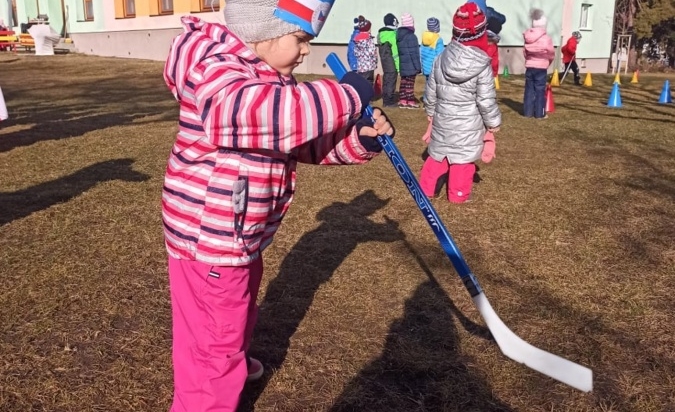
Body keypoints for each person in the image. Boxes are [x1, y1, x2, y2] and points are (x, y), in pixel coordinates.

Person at [162, 0, 396, 410]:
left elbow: (297, 139)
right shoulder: (217, 68)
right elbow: (252, 115)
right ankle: (208, 392)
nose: (306, 50)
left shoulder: (266, 77)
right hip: (210, 236)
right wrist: (344, 97)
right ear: (262, 32)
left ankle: (228, 356)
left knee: (232, 313)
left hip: (237, 233)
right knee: (214, 332)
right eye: (301, 39)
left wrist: (359, 139)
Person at [420, 2, 501, 203]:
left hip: (443, 121)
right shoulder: (482, 65)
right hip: (468, 125)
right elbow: (485, 99)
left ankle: (426, 189)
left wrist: (430, 110)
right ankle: (458, 195)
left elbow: (431, 89)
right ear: (481, 34)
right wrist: (493, 122)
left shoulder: (440, 58)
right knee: (463, 161)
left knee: (438, 156)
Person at [523, 9, 555, 119]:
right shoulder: (547, 39)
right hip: (541, 67)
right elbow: (551, 53)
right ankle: (539, 113)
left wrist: (528, 60)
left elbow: (525, 51)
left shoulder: (527, 37)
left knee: (529, 89)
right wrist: (548, 61)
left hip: (530, 66)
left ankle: (527, 112)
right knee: (540, 90)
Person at [396, 13, 421, 109]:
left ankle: (402, 100)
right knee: (410, 83)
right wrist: (418, 67)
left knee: (404, 82)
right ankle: (410, 101)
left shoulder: (399, 36)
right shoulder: (411, 37)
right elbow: (414, 53)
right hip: (411, 65)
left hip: (403, 64)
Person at [377, 13, 400, 107]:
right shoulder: (392, 35)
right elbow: (395, 52)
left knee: (386, 79)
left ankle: (385, 98)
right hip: (391, 63)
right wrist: (398, 66)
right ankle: (389, 101)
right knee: (391, 80)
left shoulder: (381, 35)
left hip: (385, 62)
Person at [420, 17, 444, 103]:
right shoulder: (438, 40)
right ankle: (431, 99)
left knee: (428, 83)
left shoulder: (424, 38)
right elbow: (440, 54)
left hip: (426, 66)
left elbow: (421, 51)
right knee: (434, 84)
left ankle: (426, 97)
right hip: (434, 66)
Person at [352, 16, 378, 85]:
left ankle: (361, 94)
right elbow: (372, 51)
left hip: (361, 66)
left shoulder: (357, 40)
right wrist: (375, 59)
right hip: (369, 66)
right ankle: (368, 95)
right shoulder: (368, 39)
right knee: (369, 82)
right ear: (368, 29)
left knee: (361, 83)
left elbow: (355, 52)